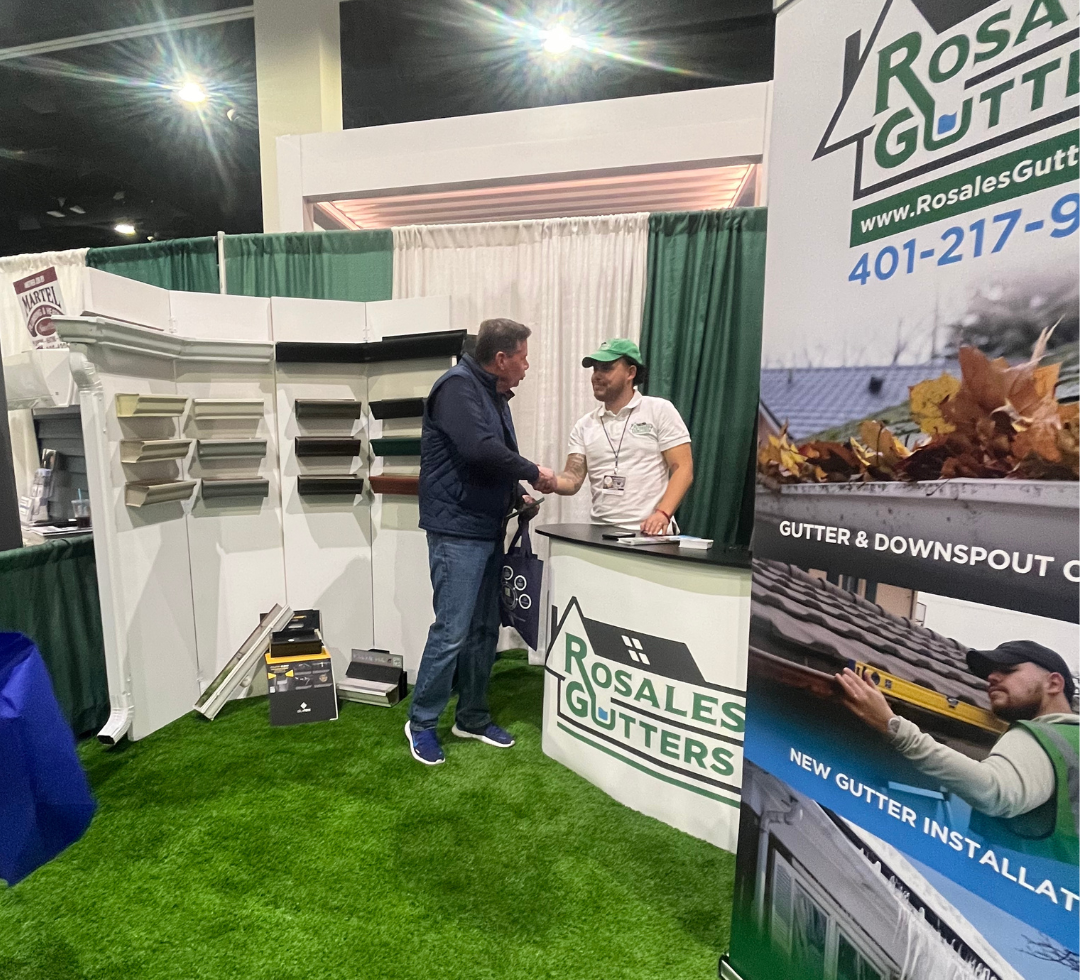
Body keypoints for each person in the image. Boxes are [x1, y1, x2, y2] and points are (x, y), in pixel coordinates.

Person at [406, 317, 555, 766]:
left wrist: (517, 494)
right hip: (456, 532)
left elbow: (489, 461)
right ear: (501, 358)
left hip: (486, 528)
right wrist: (536, 472)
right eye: (524, 357)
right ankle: (422, 723)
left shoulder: (491, 394)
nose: (528, 366)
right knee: (451, 631)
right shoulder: (456, 387)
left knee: (484, 630)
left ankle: (470, 717)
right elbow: (476, 448)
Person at [837, 640, 1079, 864]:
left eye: (1008, 670)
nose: (992, 678)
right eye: (989, 674)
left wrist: (893, 727)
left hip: (1019, 901)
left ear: (1054, 683)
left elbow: (993, 791)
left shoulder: (1042, 737)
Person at [551, 338, 693, 534]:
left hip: (649, 537)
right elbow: (573, 478)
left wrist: (663, 513)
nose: (597, 376)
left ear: (631, 373)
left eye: (606, 368)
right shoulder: (585, 425)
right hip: (601, 535)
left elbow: (683, 468)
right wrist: (549, 480)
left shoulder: (659, 410)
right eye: (595, 369)